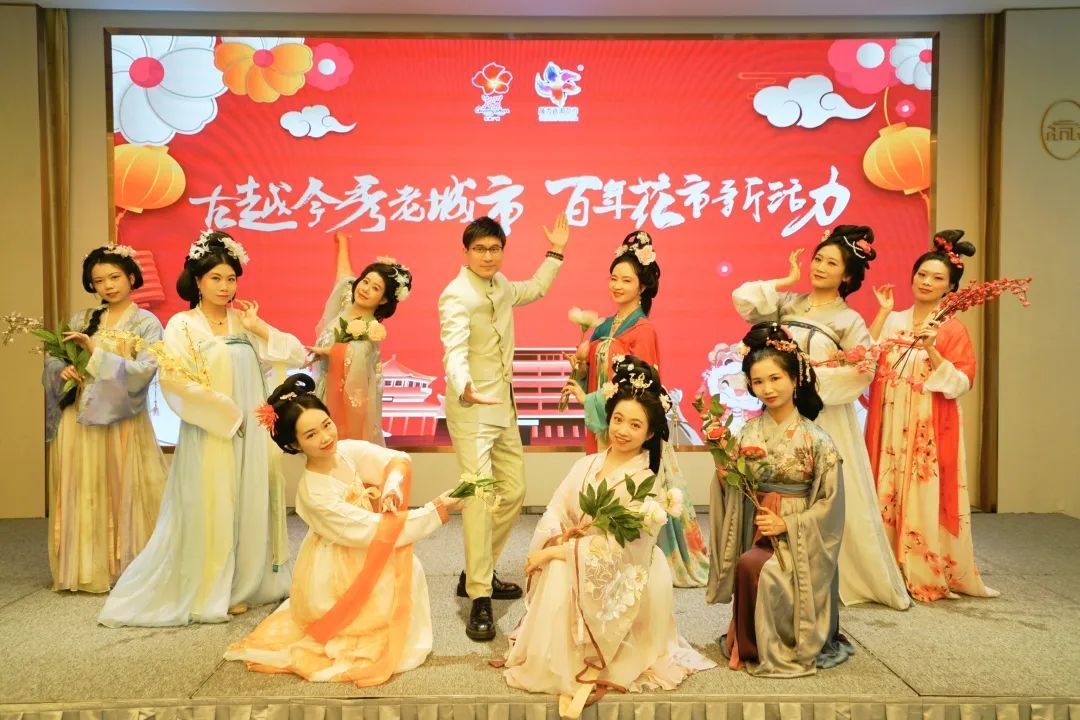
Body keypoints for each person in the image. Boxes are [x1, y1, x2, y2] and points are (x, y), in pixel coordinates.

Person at [99, 231, 308, 627]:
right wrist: (227, 414)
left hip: (251, 433)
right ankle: (214, 587)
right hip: (214, 429)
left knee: (249, 499)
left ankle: (246, 582)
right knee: (214, 503)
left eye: (231, 279)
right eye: (216, 278)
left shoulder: (242, 321)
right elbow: (176, 380)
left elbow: (297, 354)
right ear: (197, 280)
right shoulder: (182, 325)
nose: (225, 287)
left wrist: (261, 328)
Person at [501, 356, 714, 716]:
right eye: (618, 419)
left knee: (561, 567)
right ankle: (559, 655)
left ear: (650, 434)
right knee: (561, 567)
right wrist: (556, 539)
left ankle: (579, 658)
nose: (622, 430)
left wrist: (553, 553)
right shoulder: (586, 464)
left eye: (635, 424)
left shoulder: (646, 481)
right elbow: (555, 509)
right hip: (580, 551)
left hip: (628, 566)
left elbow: (623, 548)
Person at [225, 374, 462, 687]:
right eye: (311, 435)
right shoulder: (315, 493)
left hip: (365, 540)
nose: (326, 437)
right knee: (385, 589)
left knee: (405, 571)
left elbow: (395, 459)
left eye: (326, 424)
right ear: (295, 444)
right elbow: (371, 528)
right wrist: (437, 509)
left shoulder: (345, 452)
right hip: (337, 564)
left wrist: (391, 487)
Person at [731, 226, 910, 610]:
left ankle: (832, 571)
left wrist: (805, 381)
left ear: (847, 275)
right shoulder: (789, 304)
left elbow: (862, 371)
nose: (820, 267)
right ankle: (780, 561)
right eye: (818, 259)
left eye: (831, 263)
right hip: (780, 413)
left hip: (824, 417)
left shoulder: (849, 320)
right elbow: (743, 300)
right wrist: (786, 279)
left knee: (825, 491)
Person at [438, 213, 569, 641]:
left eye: (495, 248)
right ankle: (480, 593)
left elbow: (536, 288)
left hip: (504, 409)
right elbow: (453, 349)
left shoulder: (502, 286)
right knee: (478, 498)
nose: (488, 256)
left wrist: (555, 252)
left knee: (513, 491)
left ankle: (477, 569)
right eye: (479, 249)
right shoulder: (455, 295)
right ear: (466, 252)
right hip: (472, 409)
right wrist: (465, 385)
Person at [562, 230, 709, 587]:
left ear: (642, 286)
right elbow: (598, 372)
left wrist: (589, 400)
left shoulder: (643, 329)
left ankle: (630, 554)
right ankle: (600, 548)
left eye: (626, 280)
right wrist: (580, 367)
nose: (617, 285)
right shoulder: (604, 325)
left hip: (623, 424)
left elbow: (639, 388)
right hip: (604, 422)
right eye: (613, 278)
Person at [707, 322, 853, 677]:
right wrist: (725, 473)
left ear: (794, 378)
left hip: (799, 535)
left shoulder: (817, 439)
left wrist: (787, 523)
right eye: (758, 382)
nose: (767, 389)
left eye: (775, 378)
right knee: (750, 562)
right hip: (757, 522)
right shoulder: (748, 432)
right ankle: (752, 641)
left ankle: (785, 640)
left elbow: (830, 506)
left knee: (768, 572)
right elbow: (735, 487)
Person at [865, 231, 999, 602]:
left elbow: (960, 382)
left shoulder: (951, 328)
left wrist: (933, 349)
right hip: (891, 420)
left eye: (937, 278)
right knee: (886, 487)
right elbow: (866, 359)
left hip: (928, 426)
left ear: (951, 287)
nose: (926, 282)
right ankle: (885, 567)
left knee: (925, 491)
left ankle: (924, 567)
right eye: (922, 274)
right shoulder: (894, 320)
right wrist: (882, 311)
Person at [42, 244, 166, 592]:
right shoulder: (82, 318)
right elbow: (53, 357)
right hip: (79, 417)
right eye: (99, 281)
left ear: (131, 277)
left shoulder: (146, 323)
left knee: (122, 485)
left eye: (114, 277)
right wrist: (61, 368)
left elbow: (146, 370)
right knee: (85, 486)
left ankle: (129, 567)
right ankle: (87, 566)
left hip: (122, 420)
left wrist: (95, 352)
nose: (108, 285)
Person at [308, 231, 413, 445]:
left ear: (383, 299)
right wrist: (343, 242)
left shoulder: (369, 330)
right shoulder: (347, 300)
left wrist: (330, 352)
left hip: (341, 400)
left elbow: (357, 371)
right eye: (365, 281)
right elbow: (344, 274)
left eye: (375, 288)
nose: (365, 289)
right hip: (322, 390)